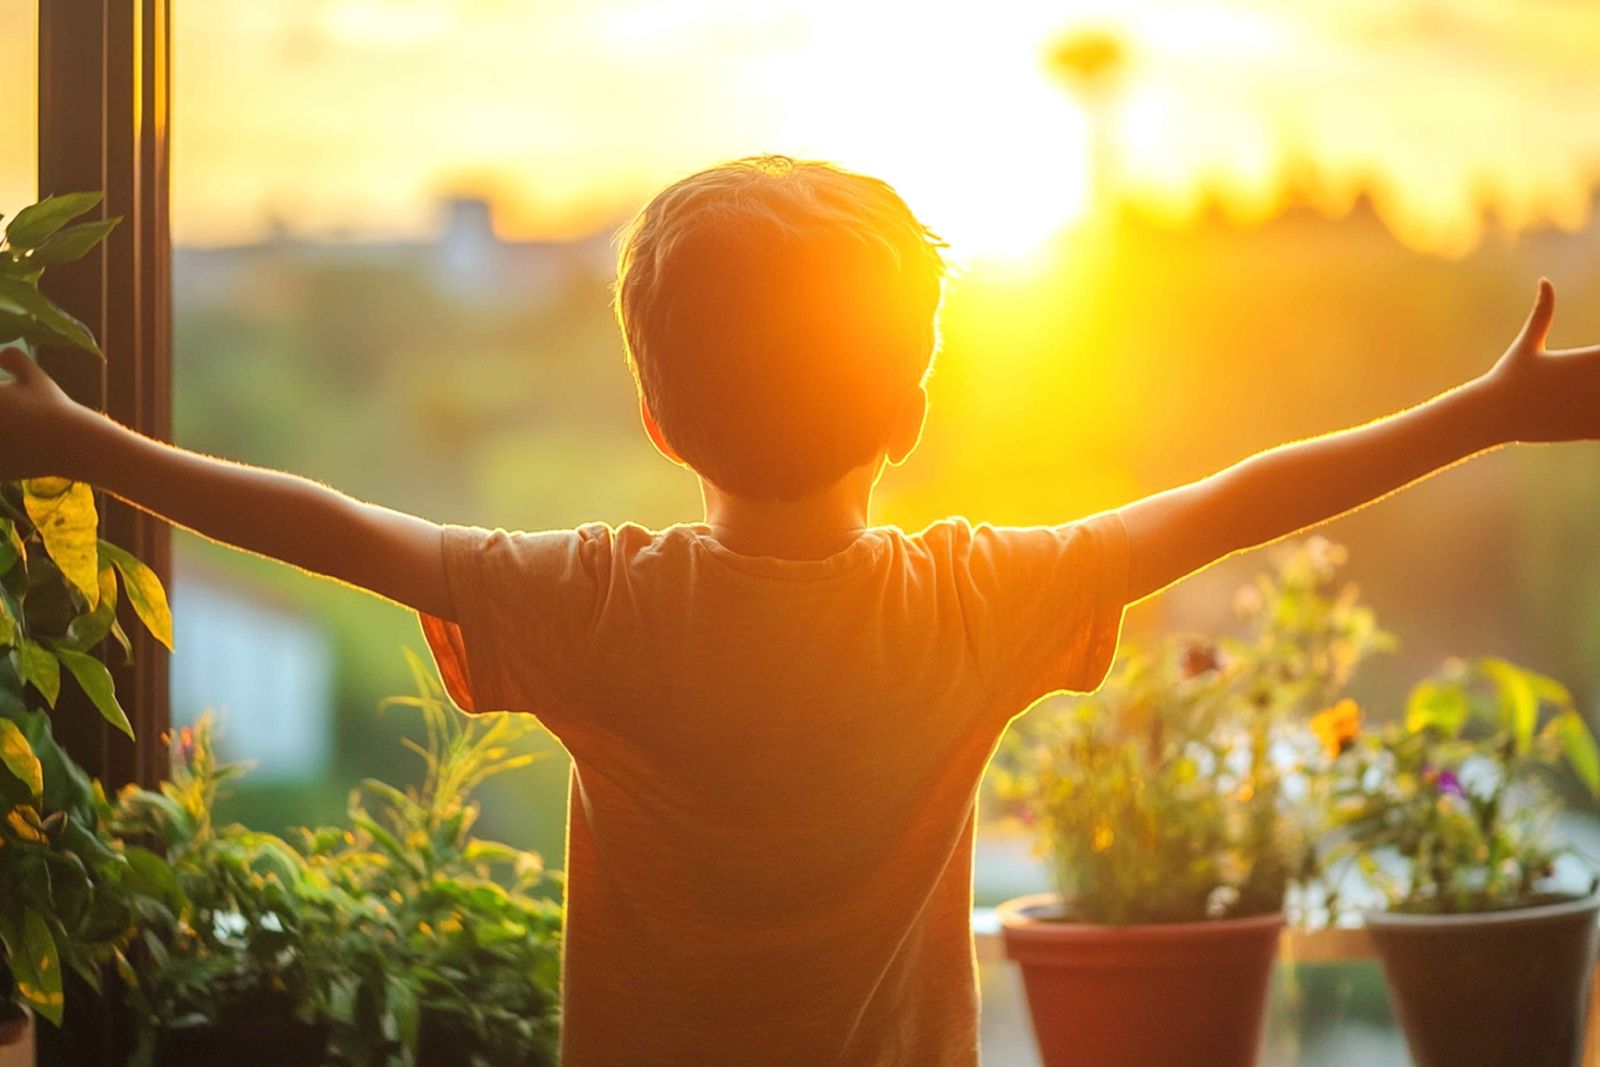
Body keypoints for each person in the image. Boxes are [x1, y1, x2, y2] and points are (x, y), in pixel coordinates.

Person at [2, 155, 1597, 1066]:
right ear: (905, 411)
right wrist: (1484, 415)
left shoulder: (598, 608)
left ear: (661, 420)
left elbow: (334, 526)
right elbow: (1247, 496)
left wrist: (79, 438)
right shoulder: (975, 602)